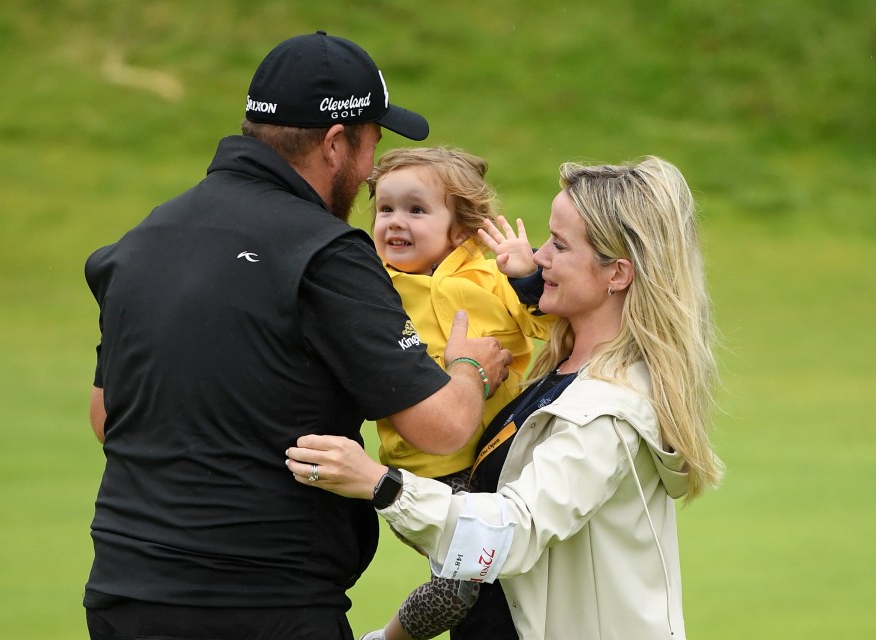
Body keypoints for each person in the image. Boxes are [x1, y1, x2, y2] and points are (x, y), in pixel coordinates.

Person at [82, 31, 513, 640]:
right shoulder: (325, 252)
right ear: (336, 144)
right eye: (372, 145)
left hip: (124, 595)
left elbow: (107, 418)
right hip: (266, 604)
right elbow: (440, 427)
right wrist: (470, 367)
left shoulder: (142, 242)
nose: (369, 173)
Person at [288, 156, 725, 640]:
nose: (538, 258)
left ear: (616, 274)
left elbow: (515, 531)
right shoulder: (562, 373)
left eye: (558, 246)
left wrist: (379, 482)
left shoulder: (606, 413)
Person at [363, 147, 556, 640]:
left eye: (416, 209)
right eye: (385, 209)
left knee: (520, 572)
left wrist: (526, 277)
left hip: (499, 458)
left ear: (464, 228)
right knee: (461, 584)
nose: (395, 222)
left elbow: (551, 326)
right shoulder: (374, 290)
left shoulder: (491, 280)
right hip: (429, 472)